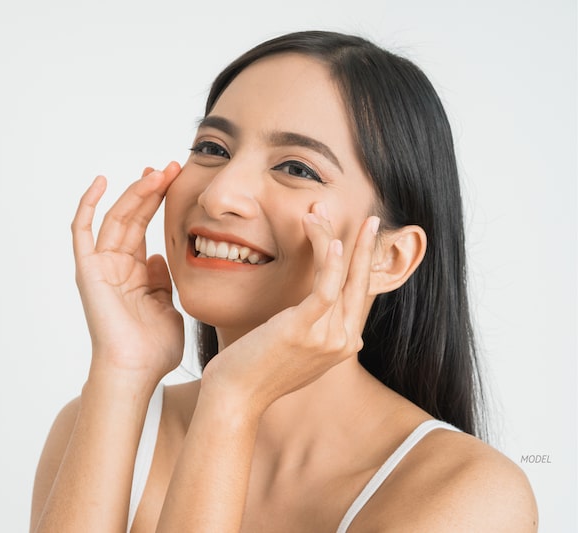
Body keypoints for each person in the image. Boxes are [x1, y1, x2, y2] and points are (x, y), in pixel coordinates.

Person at [29, 31, 537, 532]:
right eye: (213, 147)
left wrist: (231, 401)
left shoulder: (470, 496)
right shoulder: (99, 421)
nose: (219, 195)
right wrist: (121, 370)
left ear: (391, 257)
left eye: (296, 167)